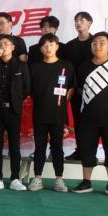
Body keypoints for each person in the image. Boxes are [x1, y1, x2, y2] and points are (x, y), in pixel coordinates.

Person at [72, 32, 108, 195]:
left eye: (102, 42)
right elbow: (79, 89)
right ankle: (86, 181)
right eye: (94, 43)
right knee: (87, 149)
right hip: (88, 117)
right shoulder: (83, 67)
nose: (97, 46)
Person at [0, 34, 30, 191]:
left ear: (13, 47)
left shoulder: (21, 65)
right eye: (0, 44)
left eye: (6, 44)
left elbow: (27, 88)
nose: (3, 47)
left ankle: (15, 178)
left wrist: (16, 100)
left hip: (14, 110)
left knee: (14, 146)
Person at [28, 34, 74, 192]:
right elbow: (30, 90)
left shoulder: (66, 66)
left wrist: (62, 102)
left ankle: (59, 180)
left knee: (57, 147)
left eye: (51, 44)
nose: (48, 48)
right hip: (40, 114)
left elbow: (71, 87)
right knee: (39, 147)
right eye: (45, 45)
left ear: (57, 46)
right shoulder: (34, 67)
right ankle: (37, 178)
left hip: (58, 114)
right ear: (40, 49)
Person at [65, 11, 94, 161]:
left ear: (90, 23)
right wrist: (73, 87)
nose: (78, 23)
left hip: (95, 90)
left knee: (93, 121)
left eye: (82, 20)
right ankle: (80, 150)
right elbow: (67, 69)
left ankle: (91, 152)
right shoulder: (70, 45)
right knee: (78, 121)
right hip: (76, 89)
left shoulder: (96, 43)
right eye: (76, 20)